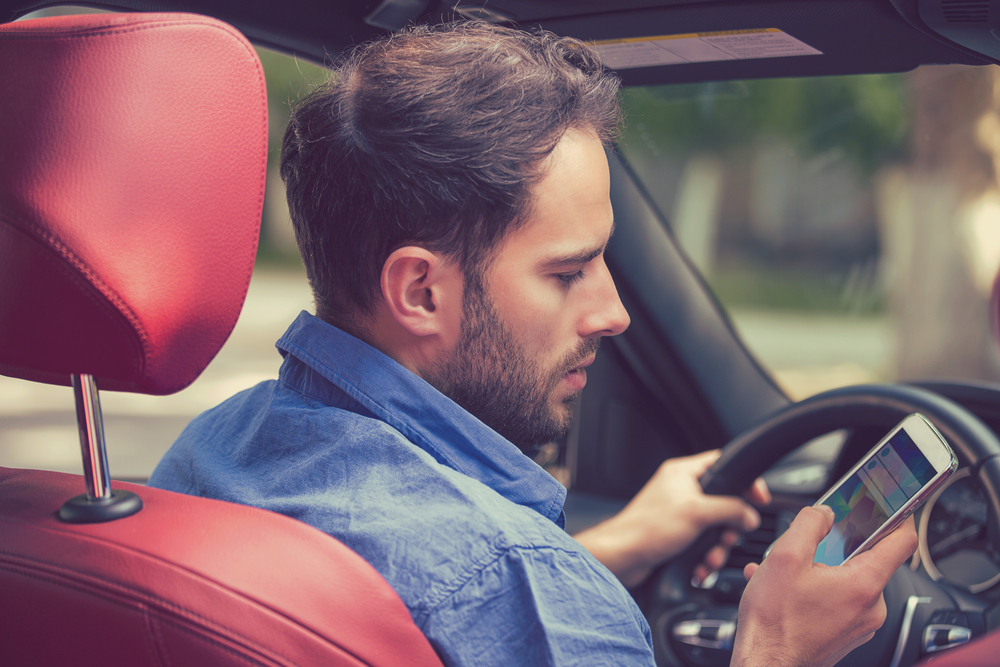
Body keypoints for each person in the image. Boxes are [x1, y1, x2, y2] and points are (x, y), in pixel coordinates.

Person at [148, 20, 916, 666]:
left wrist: (615, 544)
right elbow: (482, 583)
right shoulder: (526, 581)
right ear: (421, 292)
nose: (614, 311)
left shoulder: (210, 452)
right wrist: (776, 645)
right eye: (569, 271)